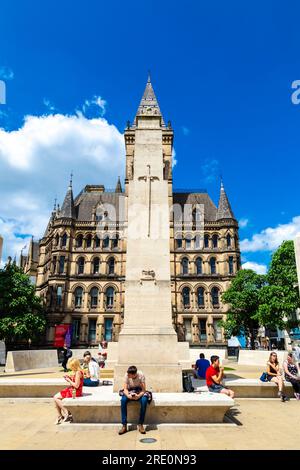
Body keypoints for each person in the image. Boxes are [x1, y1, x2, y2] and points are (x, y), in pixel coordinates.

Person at [118, 365, 148, 436]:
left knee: (144, 400)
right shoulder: (126, 375)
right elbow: (125, 389)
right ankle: (124, 425)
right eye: (128, 374)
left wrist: (138, 396)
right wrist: (128, 395)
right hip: (129, 391)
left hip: (139, 391)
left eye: (129, 374)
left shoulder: (141, 375)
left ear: (134, 374)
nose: (128, 375)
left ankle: (140, 424)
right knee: (123, 400)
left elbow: (144, 390)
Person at [53, 358, 84, 424]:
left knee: (56, 397)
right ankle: (60, 415)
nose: (71, 368)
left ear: (74, 365)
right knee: (56, 398)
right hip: (73, 390)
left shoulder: (78, 372)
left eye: (71, 366)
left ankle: (65, 412)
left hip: (75, 391)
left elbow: (76, 385)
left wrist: (69, 380)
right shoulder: (77, 372)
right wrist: (69, 378)